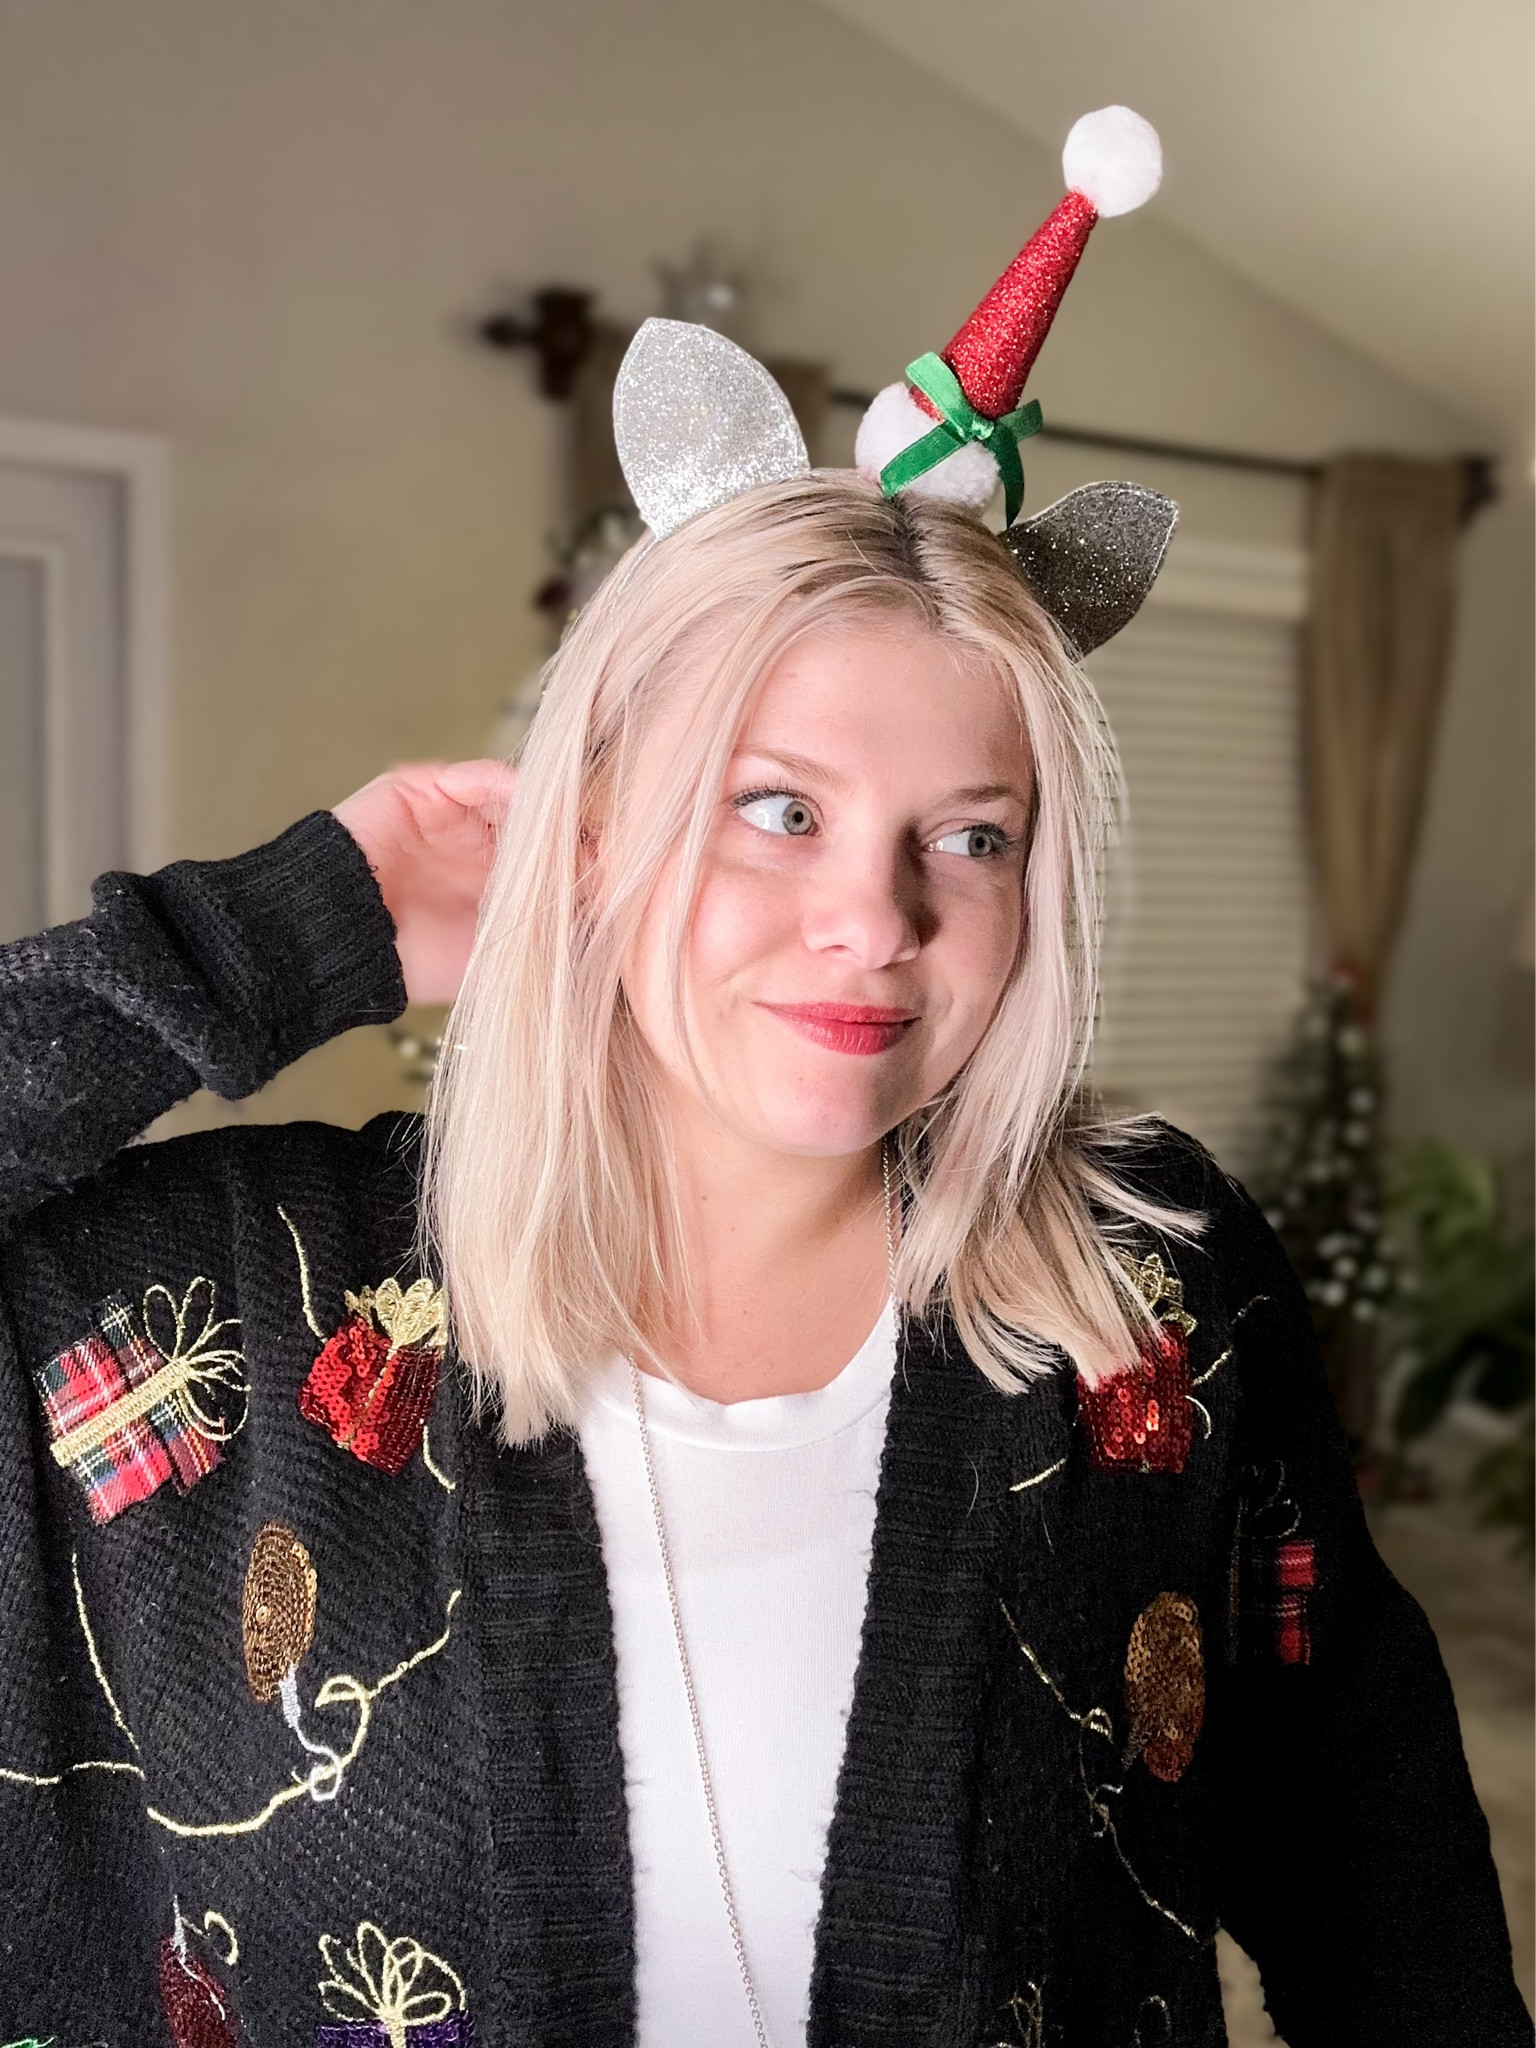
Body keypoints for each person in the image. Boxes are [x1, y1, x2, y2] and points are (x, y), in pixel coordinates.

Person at [1, 112, 1529, 2048]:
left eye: (971, 835)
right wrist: (287, 929)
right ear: (601, 820)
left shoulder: (1144, 1282)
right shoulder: (210, 1302)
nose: (873, 919)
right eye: (777, 809)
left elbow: (1367, 1852)